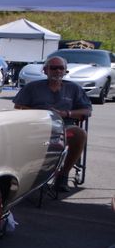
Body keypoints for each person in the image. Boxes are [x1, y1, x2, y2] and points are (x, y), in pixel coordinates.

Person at [13, 55, 92, 192]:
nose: (57, 71)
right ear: (45, 70)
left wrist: (66, 113)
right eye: (53, 68)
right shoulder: (33, 87)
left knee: (80, 134)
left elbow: (87, 110)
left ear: (65, 71)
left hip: (64, 128)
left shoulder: (74, 89)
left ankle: (63, 175)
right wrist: (40, 112)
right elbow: (18, 107)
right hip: (37, 127)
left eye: (61, 68)